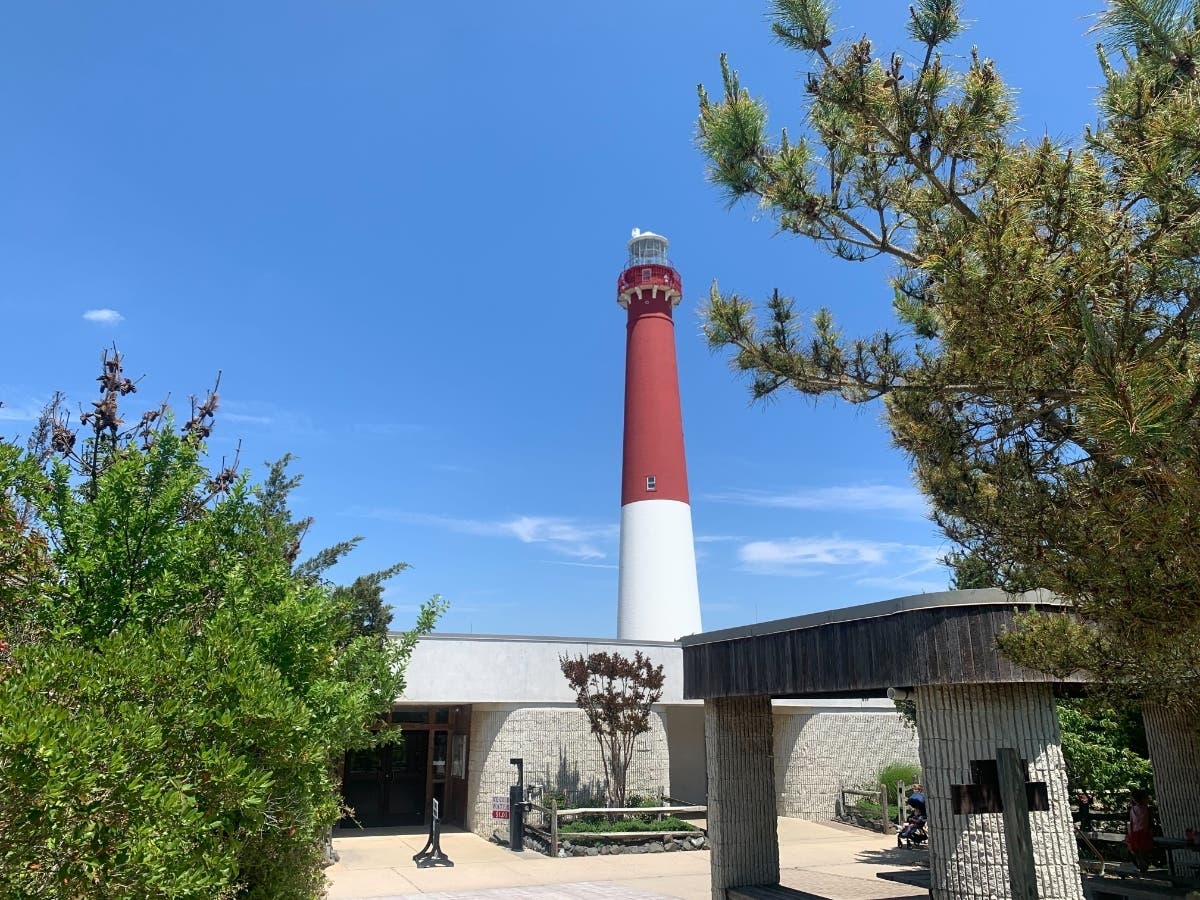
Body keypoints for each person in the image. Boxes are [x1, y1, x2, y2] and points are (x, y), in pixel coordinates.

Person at [1126, 789, 1153, 872]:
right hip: (1144, 833)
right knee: (1143, 852)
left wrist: (1130, 834)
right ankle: (1144, 867)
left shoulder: (1133, 809)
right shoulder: (1146, 809)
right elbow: (1149, 823)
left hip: (1135, 833)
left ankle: (1142, 867)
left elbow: (1131, 823)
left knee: (1138, 852)